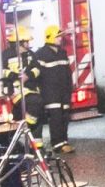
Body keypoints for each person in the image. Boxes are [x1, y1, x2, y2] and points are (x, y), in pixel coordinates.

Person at [27, 25, 74, 153]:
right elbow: (35, 73)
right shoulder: (41, 54)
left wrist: (70, 89)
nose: (60, 39)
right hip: (50, 92)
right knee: (56, 118)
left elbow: (67, 74)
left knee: (64, 117)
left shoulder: (62, 53)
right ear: (50, 37)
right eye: (58, 37)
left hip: (63, 92)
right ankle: (58, 144)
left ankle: (64, 141)